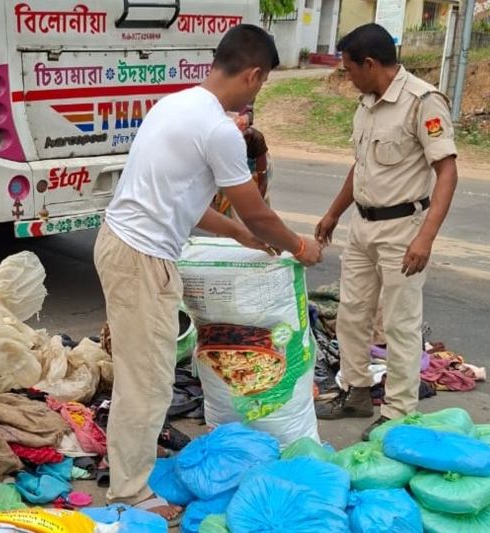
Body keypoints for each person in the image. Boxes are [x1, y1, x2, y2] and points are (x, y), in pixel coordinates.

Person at [95, 24, 323, 524]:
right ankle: (129, 492)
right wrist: (300, 247)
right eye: (263, 84)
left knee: (145, 373)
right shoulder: (218, 130)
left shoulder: (175, 104)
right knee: (146, 381)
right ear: (253, 74)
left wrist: (240, 235)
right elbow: (258, 211)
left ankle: (130, 465)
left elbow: (189, 204)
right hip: (140, 259)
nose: (257, 93)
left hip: (122, 246)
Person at [314, 23, 459, 439]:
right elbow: (361, 165)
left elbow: (447, 172)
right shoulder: (367, 103)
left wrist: (425, 237)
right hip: (362, 225)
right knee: (352, 314)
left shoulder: (422, 102)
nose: (347, 78)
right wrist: (334, 213)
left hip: (402, 229)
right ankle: (356, 391)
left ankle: (397, 412)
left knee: (400, 324)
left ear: (370, 64)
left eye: (349, 69)